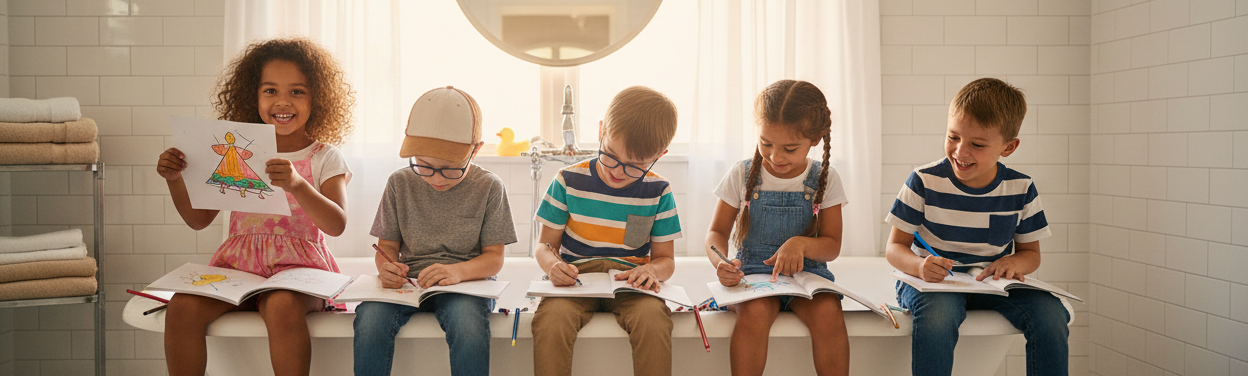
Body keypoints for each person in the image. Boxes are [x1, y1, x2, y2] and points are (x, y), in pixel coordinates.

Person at [156, 37, 356, 376]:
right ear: (253, 96)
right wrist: (175, 179)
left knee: (279, 305)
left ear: (317, 98)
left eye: (297, 91)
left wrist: (297, 184)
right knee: (182, 307)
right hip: (241, 268)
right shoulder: (230, 152)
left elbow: (336, 224)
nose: (283, 101)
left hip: (301, 271)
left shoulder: (324, 156)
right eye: (270, 91)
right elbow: (198, 219)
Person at [885, 77, 1068, 376]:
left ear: (1008, 147)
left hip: (990, 284)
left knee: (1051, 314)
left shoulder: (1020, 188)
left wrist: (1012, 262)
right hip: (932, 283)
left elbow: (1031, 255)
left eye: (977, 144)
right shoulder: (923, 180)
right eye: (953, 137)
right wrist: (919, 266)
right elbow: (894, 248)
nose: (960, 151)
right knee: (939, 316)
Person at [353, 86, 517, 376]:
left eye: (450, 168)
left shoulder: (490, 187)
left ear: (475, 151)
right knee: (369, 317)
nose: (436, 178)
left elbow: (494, 258)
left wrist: (457, 273)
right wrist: (386, 269)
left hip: (466, 284)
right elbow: (386, 248)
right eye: (424, 166)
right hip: (409, 285)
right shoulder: (399, 183)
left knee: (467, 323)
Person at [531, 86, 682, 376]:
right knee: (551, 321)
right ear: (601, 130)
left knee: (655, 321)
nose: (618, 171)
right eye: (610, 155)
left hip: (631, 284)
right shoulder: (567, 180)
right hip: (575, 280)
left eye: (635, 166)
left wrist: (652, 272)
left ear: (659, 156)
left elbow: (666, 260)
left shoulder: (659, 191)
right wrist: (552, 266)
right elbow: (544, 246)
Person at [704, 79, 850, 376]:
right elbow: (715, 233)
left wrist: (803, 244)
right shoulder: (743, 174)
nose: (775, 156)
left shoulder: (825, 178)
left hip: (809, 277)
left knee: (828, 312)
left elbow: (832, 245)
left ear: (816, 139)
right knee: (755, 312)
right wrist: (720, 262)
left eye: (790, 148)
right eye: (766, 143)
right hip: (753, 275)